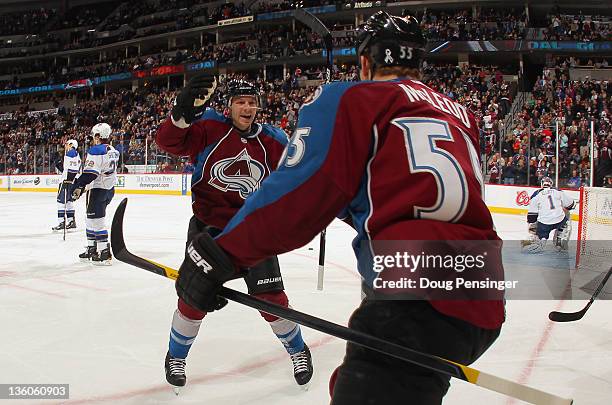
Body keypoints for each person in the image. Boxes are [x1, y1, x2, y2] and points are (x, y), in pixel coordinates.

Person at [171, 12, 505, 405]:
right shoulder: (459, 113)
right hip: (482, 287)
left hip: (414, 294)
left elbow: (296, 198)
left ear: (365, 62)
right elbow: (406, 192)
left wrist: (222, 254)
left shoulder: (351, 97)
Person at [155, 78, 313, 392]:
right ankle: (176, 356)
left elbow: (299, 170)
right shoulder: (210, 127)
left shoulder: (273, 139)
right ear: (229, 106)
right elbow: (168, 143)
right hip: (209, 231)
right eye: (241, 101)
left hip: (253, 229)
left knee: (271, 300)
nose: (248, 108)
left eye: (252, 102)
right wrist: (181, 115)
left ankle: (298, 351)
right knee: (192, 300)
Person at [69, 123, 119, 265]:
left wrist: (78, 185)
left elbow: (91, 173)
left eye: (94, 135)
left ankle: (104, 253)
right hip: (109, 189)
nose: (92, 138)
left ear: (98, 136)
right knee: (90, 219)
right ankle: (92, 248)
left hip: (98, 189)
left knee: (97, 221)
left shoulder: (96, 150)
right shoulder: (113, 150)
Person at [524, 176, 575, 252]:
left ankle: (536, 237)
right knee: (566, 216)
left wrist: (533, 224)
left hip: (543, 224)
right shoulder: (558, 191)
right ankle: (560, 239)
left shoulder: (536, 194)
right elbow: (571, 204)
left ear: (542, 184)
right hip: (559, 220)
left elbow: (531, 216)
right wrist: (563, 208)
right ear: (551, 184)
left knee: (533, 219)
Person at [52, 139, 81, 232]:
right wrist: (59, 164)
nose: (65, 146)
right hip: (73, 181)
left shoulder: (71, 153)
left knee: (61, 202)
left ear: (71, 145)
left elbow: (71, 170)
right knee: (69, 202)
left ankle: (61, 222)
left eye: (67, 144)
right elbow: (68, 169)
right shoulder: (76, 154)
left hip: (67, 182)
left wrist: (68, 180)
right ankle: (71, 221)